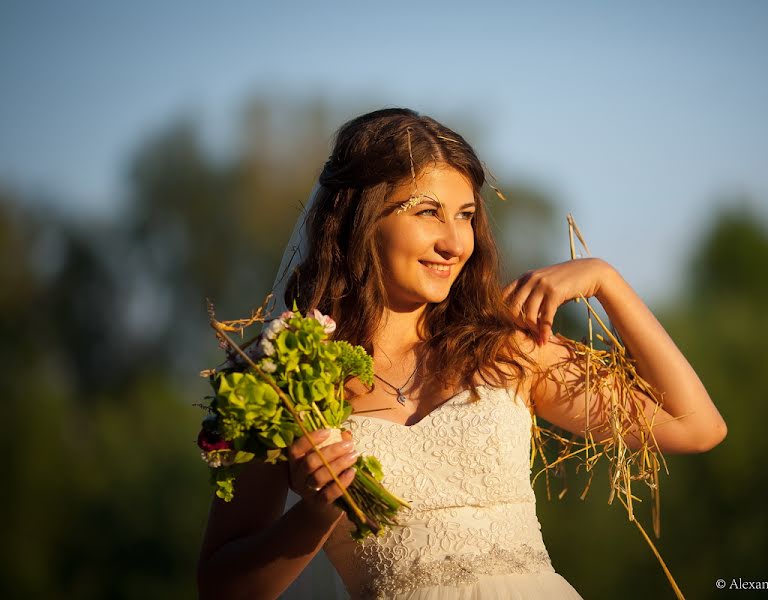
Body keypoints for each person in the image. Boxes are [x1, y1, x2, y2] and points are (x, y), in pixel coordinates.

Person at [196, 108, 728, 599]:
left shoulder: (509, 350)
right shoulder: (287, 382)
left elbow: (696, 425)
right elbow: (221, 588)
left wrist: (608, 282)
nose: (455, 242)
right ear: (361, 218)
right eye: (429, 212)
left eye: (466, 214)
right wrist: (311, 517)